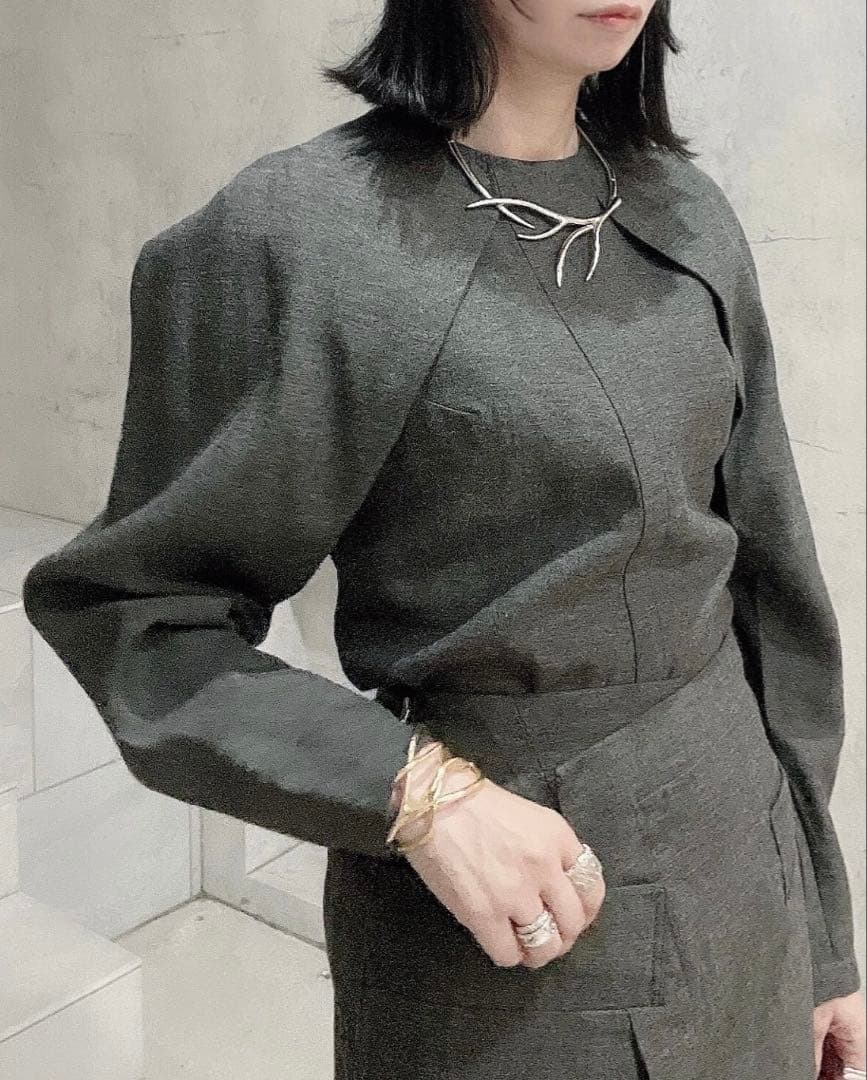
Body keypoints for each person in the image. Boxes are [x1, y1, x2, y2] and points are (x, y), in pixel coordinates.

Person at [21, 0, 865, 1077]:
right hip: (517, 920)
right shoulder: (302, 234)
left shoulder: (683, 210)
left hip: (746, 871)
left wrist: (823, 937)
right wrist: (417, 794)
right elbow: (139, 616)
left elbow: (773, 590)